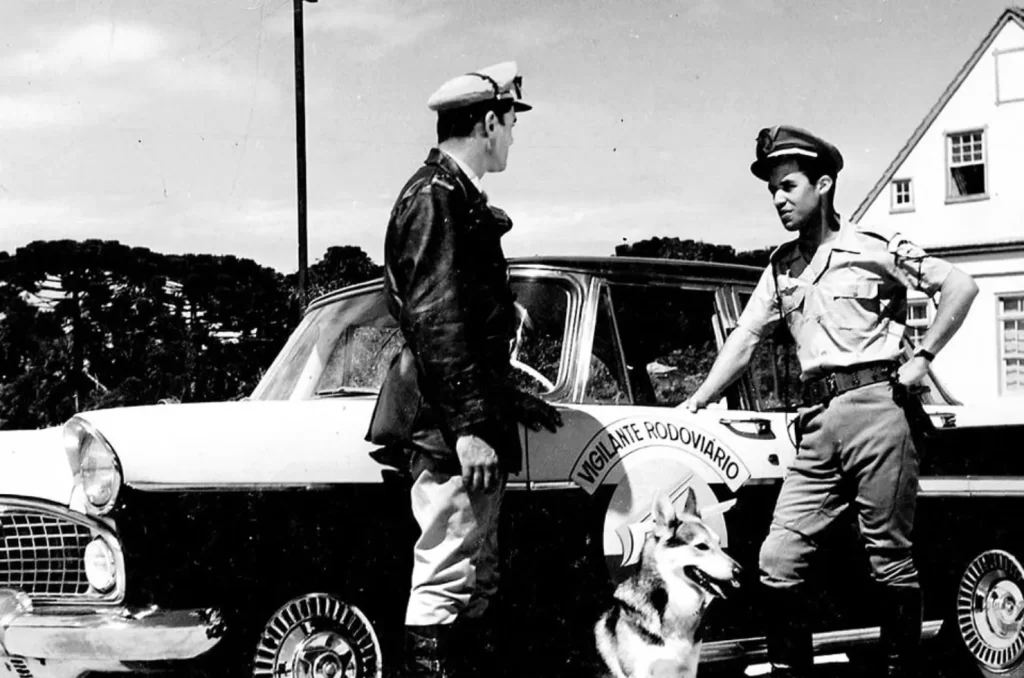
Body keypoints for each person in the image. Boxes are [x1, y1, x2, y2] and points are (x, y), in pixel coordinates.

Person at [683, 125, 979, 677]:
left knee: (888, 560)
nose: (778, 200)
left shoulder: (873, 249)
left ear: (823, 184)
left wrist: (924, 357)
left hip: (878, 412)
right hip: (816, 425)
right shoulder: (780, 268)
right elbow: (744, 340)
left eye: (789, 186)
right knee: (776, 560)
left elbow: (959, 286)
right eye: (772, 190)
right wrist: (697, 400)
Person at [366, 61, 563, 678]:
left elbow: (464, 331)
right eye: (510, 122)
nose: (512, 137)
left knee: (473, 576)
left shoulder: (452, 196)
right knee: (447, 575)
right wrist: (473, 426)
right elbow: (439, 321)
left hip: (463, 415)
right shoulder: (436, 197)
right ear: (486, 122)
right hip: (451, 428)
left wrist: (506, 399)